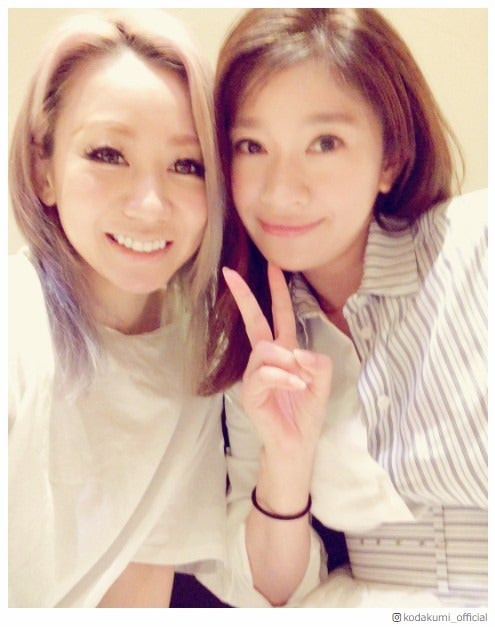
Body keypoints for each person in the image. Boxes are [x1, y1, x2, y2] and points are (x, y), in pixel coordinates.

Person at [200, 8, 487, 608]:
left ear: (391, 158)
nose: (281, 188)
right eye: (252, 145)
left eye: (324, 143)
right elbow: (272, 592)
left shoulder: (477, 250)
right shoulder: (251, 340)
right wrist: (287, 459)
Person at [8, 9, 228, 607]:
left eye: (187, 165)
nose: (149, 205)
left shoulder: (196, 362)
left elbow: (139, 583)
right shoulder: (17, 328)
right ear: (43, 169)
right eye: (108, 154)